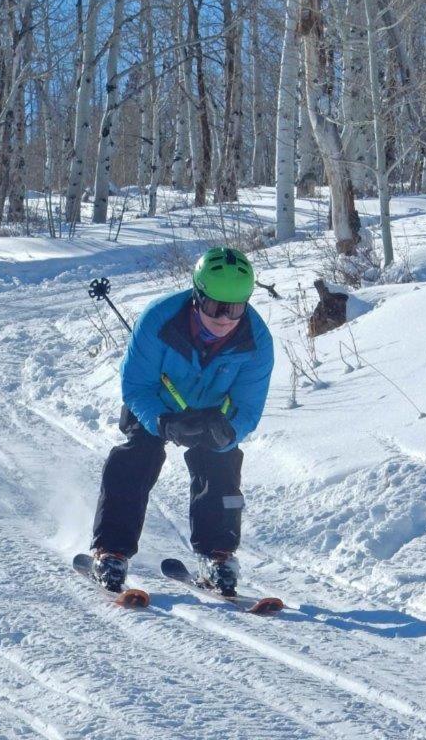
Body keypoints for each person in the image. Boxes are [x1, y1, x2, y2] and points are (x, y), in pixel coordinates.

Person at [90, 247, 274, 596]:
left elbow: (249, 408)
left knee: (223, 463)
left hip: (213, 412)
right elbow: (135, 387)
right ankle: (110, 550)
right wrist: (161, 423)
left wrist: (229, 432)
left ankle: (217, 554)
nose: (223, 318)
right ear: (196, 296)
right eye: (214, 306)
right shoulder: (158, 321)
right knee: (138, 455)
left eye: (234, 308)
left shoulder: (257, 343)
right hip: (157, 406)